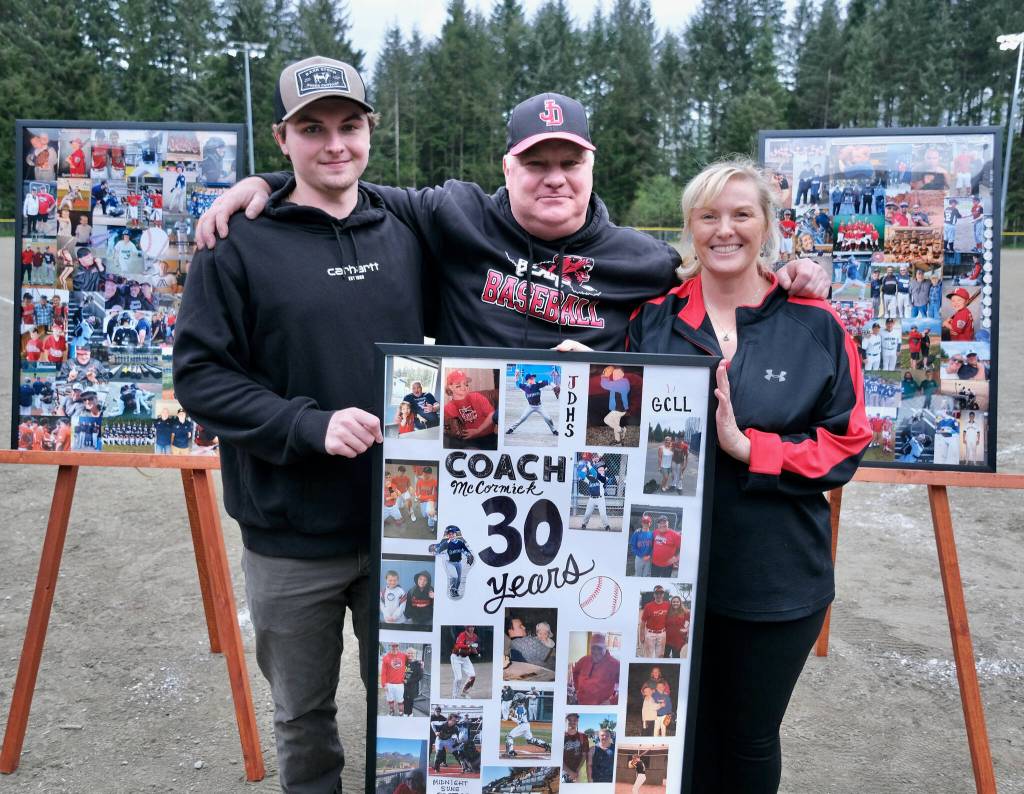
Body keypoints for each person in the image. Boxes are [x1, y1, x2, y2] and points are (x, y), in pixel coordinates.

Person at [171, 56, 428, 793]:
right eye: (312, 129)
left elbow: (524, 238)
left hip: (404, 527)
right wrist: (306, 425)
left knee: (411, 707)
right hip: (290, 535)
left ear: (370, 130)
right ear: (283, 138)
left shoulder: (407, 228)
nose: (334, 144)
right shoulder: (235, 242)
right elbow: (200, 377)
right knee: (304, 718)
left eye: (349, 125)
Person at [195, 94, 829, 352]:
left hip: (587, 465)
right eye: (535, 164)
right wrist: (267, 183)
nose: (554, 178)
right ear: (507, 167)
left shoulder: (646, 260)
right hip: (472, 462)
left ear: (591, 166)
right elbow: (343, 181)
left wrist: (787, 272)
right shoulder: (454, 213)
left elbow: (718, 281)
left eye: (569, 163)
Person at [626, 159, 870, 792]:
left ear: (767, 224)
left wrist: (749, 448)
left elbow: (845, 444)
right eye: (708, 216)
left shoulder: (816, 323)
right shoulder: (652, 320)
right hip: (666, 576)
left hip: (774, 578)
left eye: (741, 214)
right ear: (690, 226)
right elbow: (614, 430)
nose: (725, 229)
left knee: (748, 738)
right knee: (671, 732)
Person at [571, 632, 619, 705]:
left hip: (600, 708)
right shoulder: (584, 660)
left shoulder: (615, 664)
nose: (596, 652)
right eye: (593, 648)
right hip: (581, 705)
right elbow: (575, 672)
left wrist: (612, 702)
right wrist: (577, 688)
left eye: (599, 648)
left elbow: (628, 686)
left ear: (605, 648)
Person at [506, 369, 558, 435]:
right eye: (531, 378)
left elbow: (548, 381)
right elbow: (517, 383)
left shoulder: (538, 384)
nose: (533, 379)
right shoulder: (525, 387)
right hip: (530, 406)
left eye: (533, 378)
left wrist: (554, 386)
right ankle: (511, 429)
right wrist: (516, 375)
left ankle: (554, 430)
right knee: (522, 418)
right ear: (527, 380)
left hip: (539, 406)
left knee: (547, 418)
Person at [450, 625, 480, 698]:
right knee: (458, 678)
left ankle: (464, 692)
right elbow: (459, 645)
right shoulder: (462, 634)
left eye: (473, 626)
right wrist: (469, 646)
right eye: (470, 627)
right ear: (467, 627)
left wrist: (476, 653)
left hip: (465, 658)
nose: (472, 628)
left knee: (472, 676)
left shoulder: (475, 636)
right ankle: (454, 696)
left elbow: (473, 647)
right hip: (456, 657)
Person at [639, 585, 669, 657]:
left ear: (663, 594)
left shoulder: (667, 605)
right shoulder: (648, 606)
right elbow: (643, 622)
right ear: (654, 594)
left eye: (661, 593)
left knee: (660, 656)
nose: (659, 595)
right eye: (657, 593)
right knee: (648, 656)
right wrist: (642, 636)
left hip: (662, 634)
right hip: (650, 634)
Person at [380, 642, 408, 716]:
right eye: (393, 646)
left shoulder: (403, 656)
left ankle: (401, 712)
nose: (395, 647)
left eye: (396, 646)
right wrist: (384, 684)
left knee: (400, 700)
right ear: (390, 646)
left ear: (399, 646)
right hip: (389, 684)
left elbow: (411, 659)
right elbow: (383, 672)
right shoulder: (386, 657)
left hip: (400, 684)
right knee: (390, 699)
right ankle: (391, 711)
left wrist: (420, 663)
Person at [562, 713, 590, 783]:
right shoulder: (561, 736)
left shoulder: (583, 736)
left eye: (575, 720)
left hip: (577, 772)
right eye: (569, 720)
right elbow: (558, 758)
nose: (572, 722)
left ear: (577, 721)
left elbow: (584, 755)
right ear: (565, 721)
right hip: (563, 770)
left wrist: (577, 770)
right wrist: (570, 772)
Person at [402, 646, 424, 716]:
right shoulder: (403, 663)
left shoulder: (417, 664)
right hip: (404, 686)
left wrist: (408, 681)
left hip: (412, 686)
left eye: (412, 653)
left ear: (414, 654)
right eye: (409, 653)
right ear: (406, 654)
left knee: (410, 701)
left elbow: (420, 676)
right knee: (405, 700)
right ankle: (405, 713)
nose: (410, 654)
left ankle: (410, 713)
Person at [629, 513, 654, 577]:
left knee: (646, 575)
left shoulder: (652, 534)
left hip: (648, 558)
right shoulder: (637, 533)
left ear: (650, 523)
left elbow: (653, 547)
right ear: (642, 523)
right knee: (638, 575)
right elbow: (633, 547)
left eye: (647, 522)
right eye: (644, 522)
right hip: (639, 558)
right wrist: (642, 556)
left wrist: (649, 556)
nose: (646, 524)